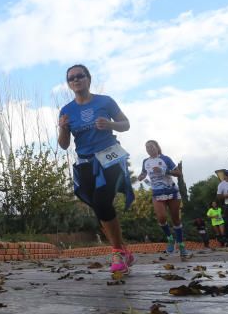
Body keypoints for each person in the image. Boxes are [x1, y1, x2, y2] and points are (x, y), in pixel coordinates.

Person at [57, 65, 135, 275]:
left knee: (102, 201)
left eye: (80, 76)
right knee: (100, 207)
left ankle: (118, 252)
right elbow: (64, 145)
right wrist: (63, 128)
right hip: (85, 163)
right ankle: (123, 250)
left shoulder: (105, 101)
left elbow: (126, 124)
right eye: (71, 78)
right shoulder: (66, 110)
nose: (76, 80)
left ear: (88, 79)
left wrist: (110, 125)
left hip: (109, 157)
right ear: (69, 84)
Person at [136, 140, 187, 259]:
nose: (149, 149)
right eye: (147, 147)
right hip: (157, 193)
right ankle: (170, 239)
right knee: (161, 217)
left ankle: (181, 244)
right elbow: (143, 173)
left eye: (151, 146)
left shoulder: (165, 159)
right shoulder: (145, 161)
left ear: (157, 147)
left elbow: (178, 173)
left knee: (176, 220)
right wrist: (141, 176)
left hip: (171, 192)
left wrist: (164, 171)